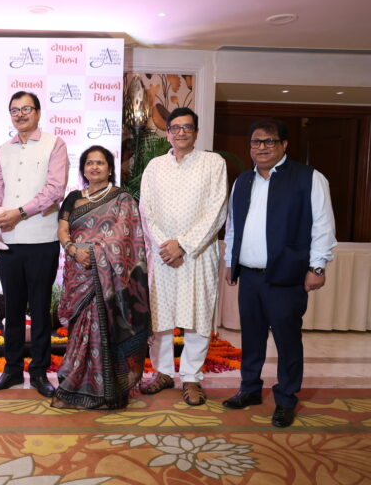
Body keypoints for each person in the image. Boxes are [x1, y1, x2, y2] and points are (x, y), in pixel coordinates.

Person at [223, 118, 336, 428]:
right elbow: (234, 225)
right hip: (250, 276)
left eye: (269, 141)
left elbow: (323, 226)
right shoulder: (243, 182)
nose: (262, 147)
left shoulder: (309, 178)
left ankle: (286, 398)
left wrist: (317, 266)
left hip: (288, 275)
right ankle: (249, 389)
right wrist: (231, 262)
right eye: (256, 142)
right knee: (252, 337)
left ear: (284, 145)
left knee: (287, 340)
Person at [0, 91, 69, 398]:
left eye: (26, 109)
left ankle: (40, 372)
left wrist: (18, 214)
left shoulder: (54, 145)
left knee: (41, 311)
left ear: (38, 112)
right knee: (13, 310)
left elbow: (54, 191)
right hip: (10, 243)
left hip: (42, 240)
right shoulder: (2, 151)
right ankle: (12, 370)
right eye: (14, 110)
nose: (20, 115)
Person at [138, 107, 227, 406]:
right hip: (162, 256)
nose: (181, 132)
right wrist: (167, 246)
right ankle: (162, 372)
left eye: (187, 127)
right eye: (175, 127)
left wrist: (184, 245)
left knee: (197, 316)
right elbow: (146, 211)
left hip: (197, 255)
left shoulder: (213, 163)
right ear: (168, 132)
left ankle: (191, 378)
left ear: (196, 132)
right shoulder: (154, 166)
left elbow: (216, 210)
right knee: (160, 317)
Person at [52, 146, 151, 409]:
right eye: (89, 163)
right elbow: (62, 229)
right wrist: (73, 250)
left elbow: (126, 236)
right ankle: (72, 385)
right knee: (79, 333)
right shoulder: (73, 198)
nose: (94, 167)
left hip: (108, 276)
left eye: (101, 163)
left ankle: (109, 391)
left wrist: (96, 253)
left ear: (110, 168)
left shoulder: (122, 199)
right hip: (78, 271)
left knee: (103, 328)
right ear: (83, 168)